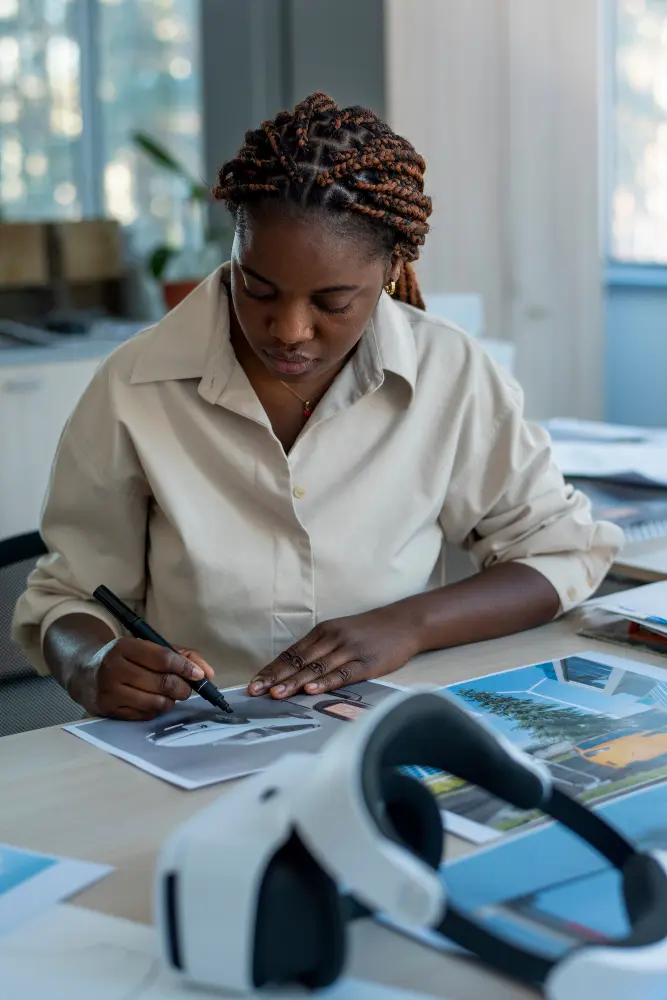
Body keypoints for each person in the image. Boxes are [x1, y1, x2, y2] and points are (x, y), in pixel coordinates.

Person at [13, 93, 623, 722]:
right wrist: (88, 663)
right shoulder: (135, 385)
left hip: (381, 734)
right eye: (258, 289)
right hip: (189, 738)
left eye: (332, 302)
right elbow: (66, 597)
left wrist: (406, 625)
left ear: (391, 269)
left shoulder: (450, 373)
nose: (288, 330)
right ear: (235, 250)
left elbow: (561, 551)